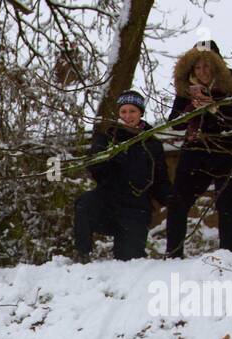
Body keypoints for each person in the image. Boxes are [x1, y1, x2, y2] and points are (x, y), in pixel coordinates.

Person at [165, 43, 232, 257]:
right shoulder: (187, 88)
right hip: (196, 149)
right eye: (198, 67)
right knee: (177, 202)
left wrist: (215, 107)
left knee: (226, 203)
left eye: (207, 66)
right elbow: (175, 123)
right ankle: (173, 255)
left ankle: (227, 254)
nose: (202, 72)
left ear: (217, 66)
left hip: (229, 148)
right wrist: (191, 108)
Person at [73, 90, 171, 262]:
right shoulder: (107, 139)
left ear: (140, 113)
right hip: (107, 203)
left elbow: (160, 179)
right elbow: (97, 172)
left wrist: (171, 200)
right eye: (123, 111)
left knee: (129, 261)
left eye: (132, 111)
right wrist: (100, 158)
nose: (128, 116)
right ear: (118, 113)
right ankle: (82, 255)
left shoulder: (152, 144)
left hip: (136, 209)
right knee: (84, 204)